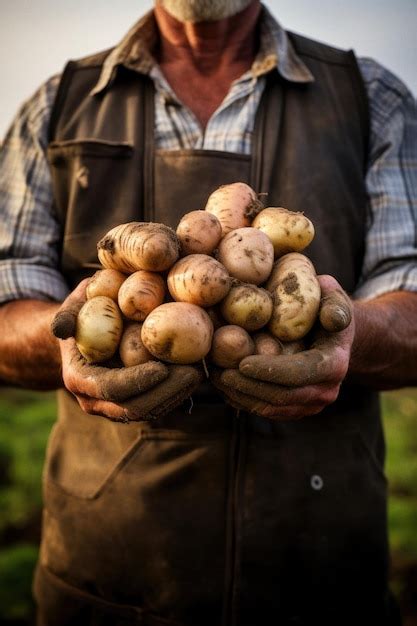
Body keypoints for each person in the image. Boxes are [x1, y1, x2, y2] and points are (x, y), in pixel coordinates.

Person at [0, 0, 416, 624]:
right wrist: (67, 346)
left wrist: (356, 332)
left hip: (321, 578)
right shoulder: (57, 103)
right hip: (103, 583)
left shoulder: (371, 95)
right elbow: (5, 309)